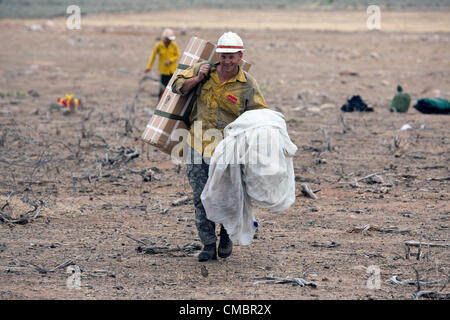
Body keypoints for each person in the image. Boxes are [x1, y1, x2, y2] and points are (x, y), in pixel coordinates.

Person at [171, 32, 268, 262]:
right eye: (223, 56)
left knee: (226, 196)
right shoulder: (204, 70)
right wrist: (197, 78)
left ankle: (226, 235)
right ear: (219, 55)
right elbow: (177, 86)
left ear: (240, 56)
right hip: (197, 143)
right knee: (200, 196)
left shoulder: (247, 85)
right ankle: (207, 244)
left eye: (231, 57)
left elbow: (260, 116)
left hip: (228, 149)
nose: (226, 61)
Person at [145, 28, 180, 98]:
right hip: (163, 71)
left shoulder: (174, 45)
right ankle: (160, 103)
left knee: (172, 88)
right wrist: (149, 67)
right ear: (165, 38)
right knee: (162, 89)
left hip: (172, 71)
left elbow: (177, 55)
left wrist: (170, 60)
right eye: (169, 39)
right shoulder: (159, 46)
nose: (170, 40)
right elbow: (153, 57)